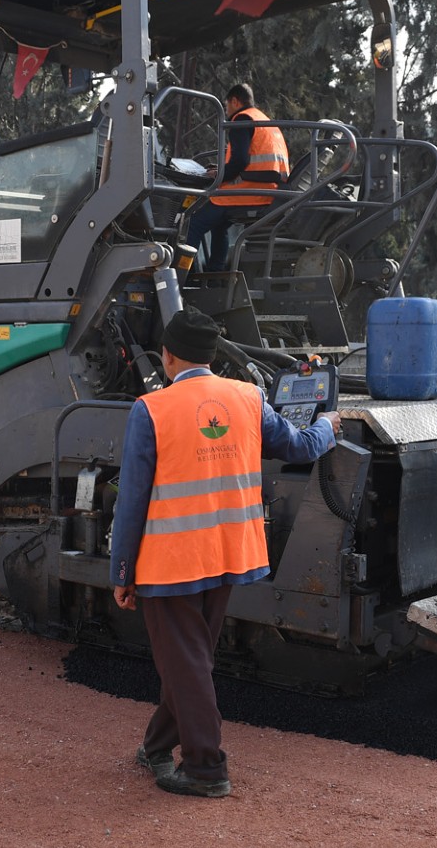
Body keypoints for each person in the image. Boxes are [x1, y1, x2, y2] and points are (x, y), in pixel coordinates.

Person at [111, 308, 340, 797]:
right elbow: (299, 446)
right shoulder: (248, 396)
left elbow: (131, 502)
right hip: (229, 553)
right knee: (190, 660)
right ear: (212, 357)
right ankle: (156, 746)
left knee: (187, 663)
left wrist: (122, 572)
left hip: (170, 561)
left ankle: (206, 768)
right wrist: (329, 426)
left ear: (168, 357)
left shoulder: (150, 409)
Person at [184, 83, 290, 273]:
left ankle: (182, 276)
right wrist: (222, 170)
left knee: (193, 224)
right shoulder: (264, 120)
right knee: (219, 226)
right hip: (267, 191)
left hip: (246, 193)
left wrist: (220, 176)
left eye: (226, 105)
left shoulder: (242, 119)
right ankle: (214, 274)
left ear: (235, 101)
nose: (226, 110)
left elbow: (240, 161)